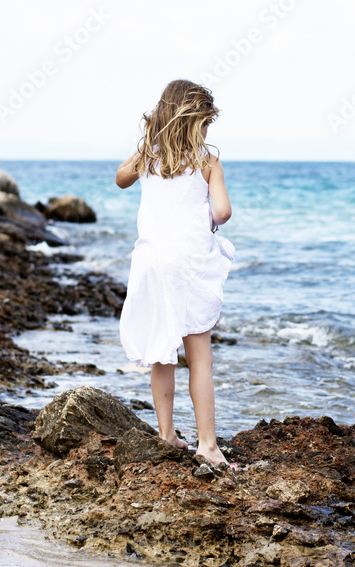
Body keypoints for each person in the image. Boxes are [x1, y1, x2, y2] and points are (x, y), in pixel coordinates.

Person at [115, 79, 236, 469]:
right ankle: (207, 445)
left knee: (161, 354)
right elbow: (222, 212)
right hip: (189, 264)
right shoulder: (207, 162)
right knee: (199, 356)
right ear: (195, 121)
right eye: (205, 123)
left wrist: (147, 146)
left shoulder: (148, 157)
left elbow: (120, 178)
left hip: (151, 263)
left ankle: (166, 434)